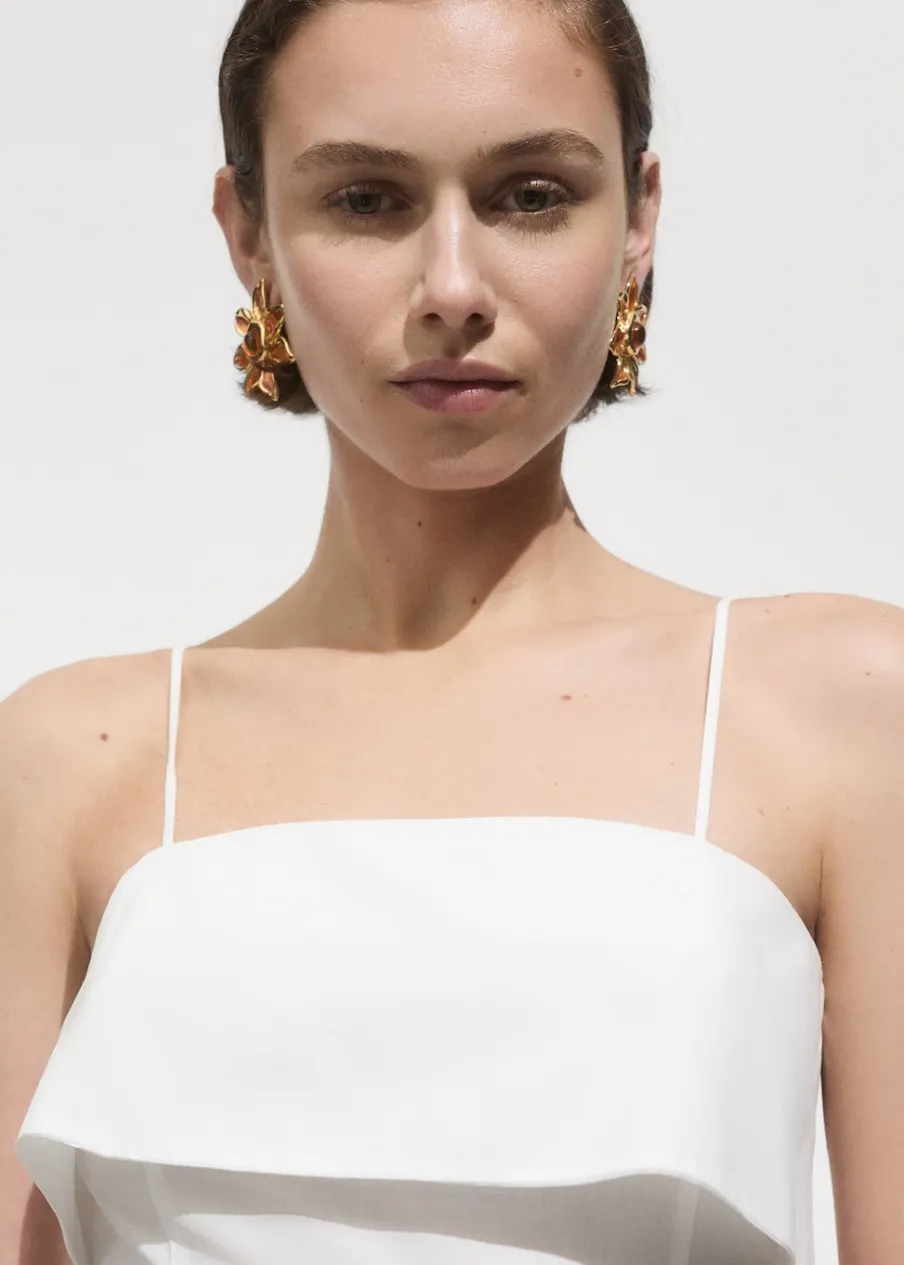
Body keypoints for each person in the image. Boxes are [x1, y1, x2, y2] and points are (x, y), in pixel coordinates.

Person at [4, 0, 903, 1261]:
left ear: (638, 217)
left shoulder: (840, 711)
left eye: (530, 195)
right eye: (366, 200)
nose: (453, 289)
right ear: (247, 230)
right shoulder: (70, 759)